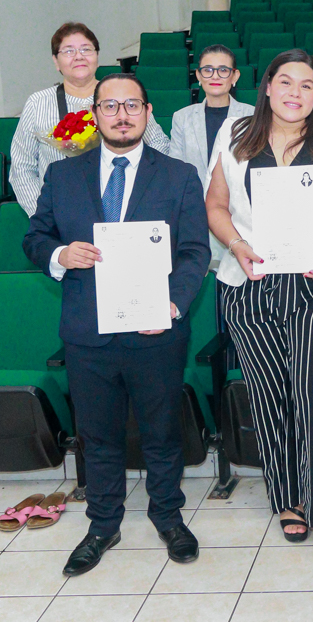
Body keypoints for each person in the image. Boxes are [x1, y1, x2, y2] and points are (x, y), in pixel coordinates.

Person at [23, 73, 210, 576]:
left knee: (162, 433)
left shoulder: (179, 176)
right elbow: (36, 238)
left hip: (156, 331)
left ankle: (168, 517)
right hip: (88, 334)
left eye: (131, 105)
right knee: (97, 437)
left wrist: (172, 304)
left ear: (148, 113)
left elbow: (195, 251)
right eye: (110, 106)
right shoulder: (64, 176)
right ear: (95, 115)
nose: (121, 114)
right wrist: (61, 253)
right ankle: (103, 524)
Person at [205, 49, 313, 548]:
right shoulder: (234, 135)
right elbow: (215, 204)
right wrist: (237, 245)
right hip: (249, 283)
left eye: (308, 85)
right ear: (268, 86)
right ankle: (287, 496)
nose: (296, 93)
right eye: (286, 82)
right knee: (269, 395)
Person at [12, 22, 170, 216]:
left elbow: (160, 147)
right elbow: (22, 167)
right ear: (55, 61)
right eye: (68, 51)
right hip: (61, 211)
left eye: (86, 49)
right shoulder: (37, 104)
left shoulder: (125, 95)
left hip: (126, 209)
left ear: (97, 55)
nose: (79, 56)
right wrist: (46, 214)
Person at [169, 45, 256, 262]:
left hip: (240, 217)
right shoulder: (182, 117)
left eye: (223, 70)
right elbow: (176, 170)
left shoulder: (252, 116)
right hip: (193, 214)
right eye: (207, 70)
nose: (215, 76)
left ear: (235, 75)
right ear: (198, 75)